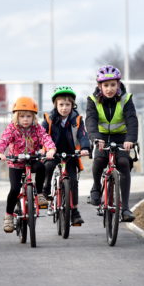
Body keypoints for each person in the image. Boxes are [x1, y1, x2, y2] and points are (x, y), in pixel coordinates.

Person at [0, 96, 56, 233]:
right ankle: (8, 216)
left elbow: (46, 138)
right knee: (15, 189)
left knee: (41, 167)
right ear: (16, 117)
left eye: (28, 116)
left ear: (33, 116)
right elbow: (3, 140)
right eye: (22, 116)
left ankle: (39, 193)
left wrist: (51, 149)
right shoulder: (12, 128)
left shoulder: (37, 128)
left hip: (32, 159)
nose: (25, 119)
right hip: (15, 162)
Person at [86, 65, 138, 222]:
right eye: (106, 85)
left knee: (123, 163)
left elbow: (132, 120)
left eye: (113, 85)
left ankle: (126, 208)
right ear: (99, 86)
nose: (109, 89)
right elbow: (91, 120)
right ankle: (96, 187)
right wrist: (95, 137)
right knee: (100, 159)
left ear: (118, 84)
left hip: (121, 137)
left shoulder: (126, 99)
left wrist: (130, 139)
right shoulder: (93, 100)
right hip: (101, 137)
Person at [41, 86, 90, 225]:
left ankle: (74, 212)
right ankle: (46, 190)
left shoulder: (77, 119)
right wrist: (41, 149)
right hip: (53, 152)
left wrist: (85, 147)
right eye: (61, 105)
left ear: (72, 105)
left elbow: (83, 135)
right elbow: (41, 134)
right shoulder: (48, 119)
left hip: (70, 154)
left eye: (67, 105)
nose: (64, 108)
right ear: (55, 105)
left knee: (73, 181)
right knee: (48, 166)